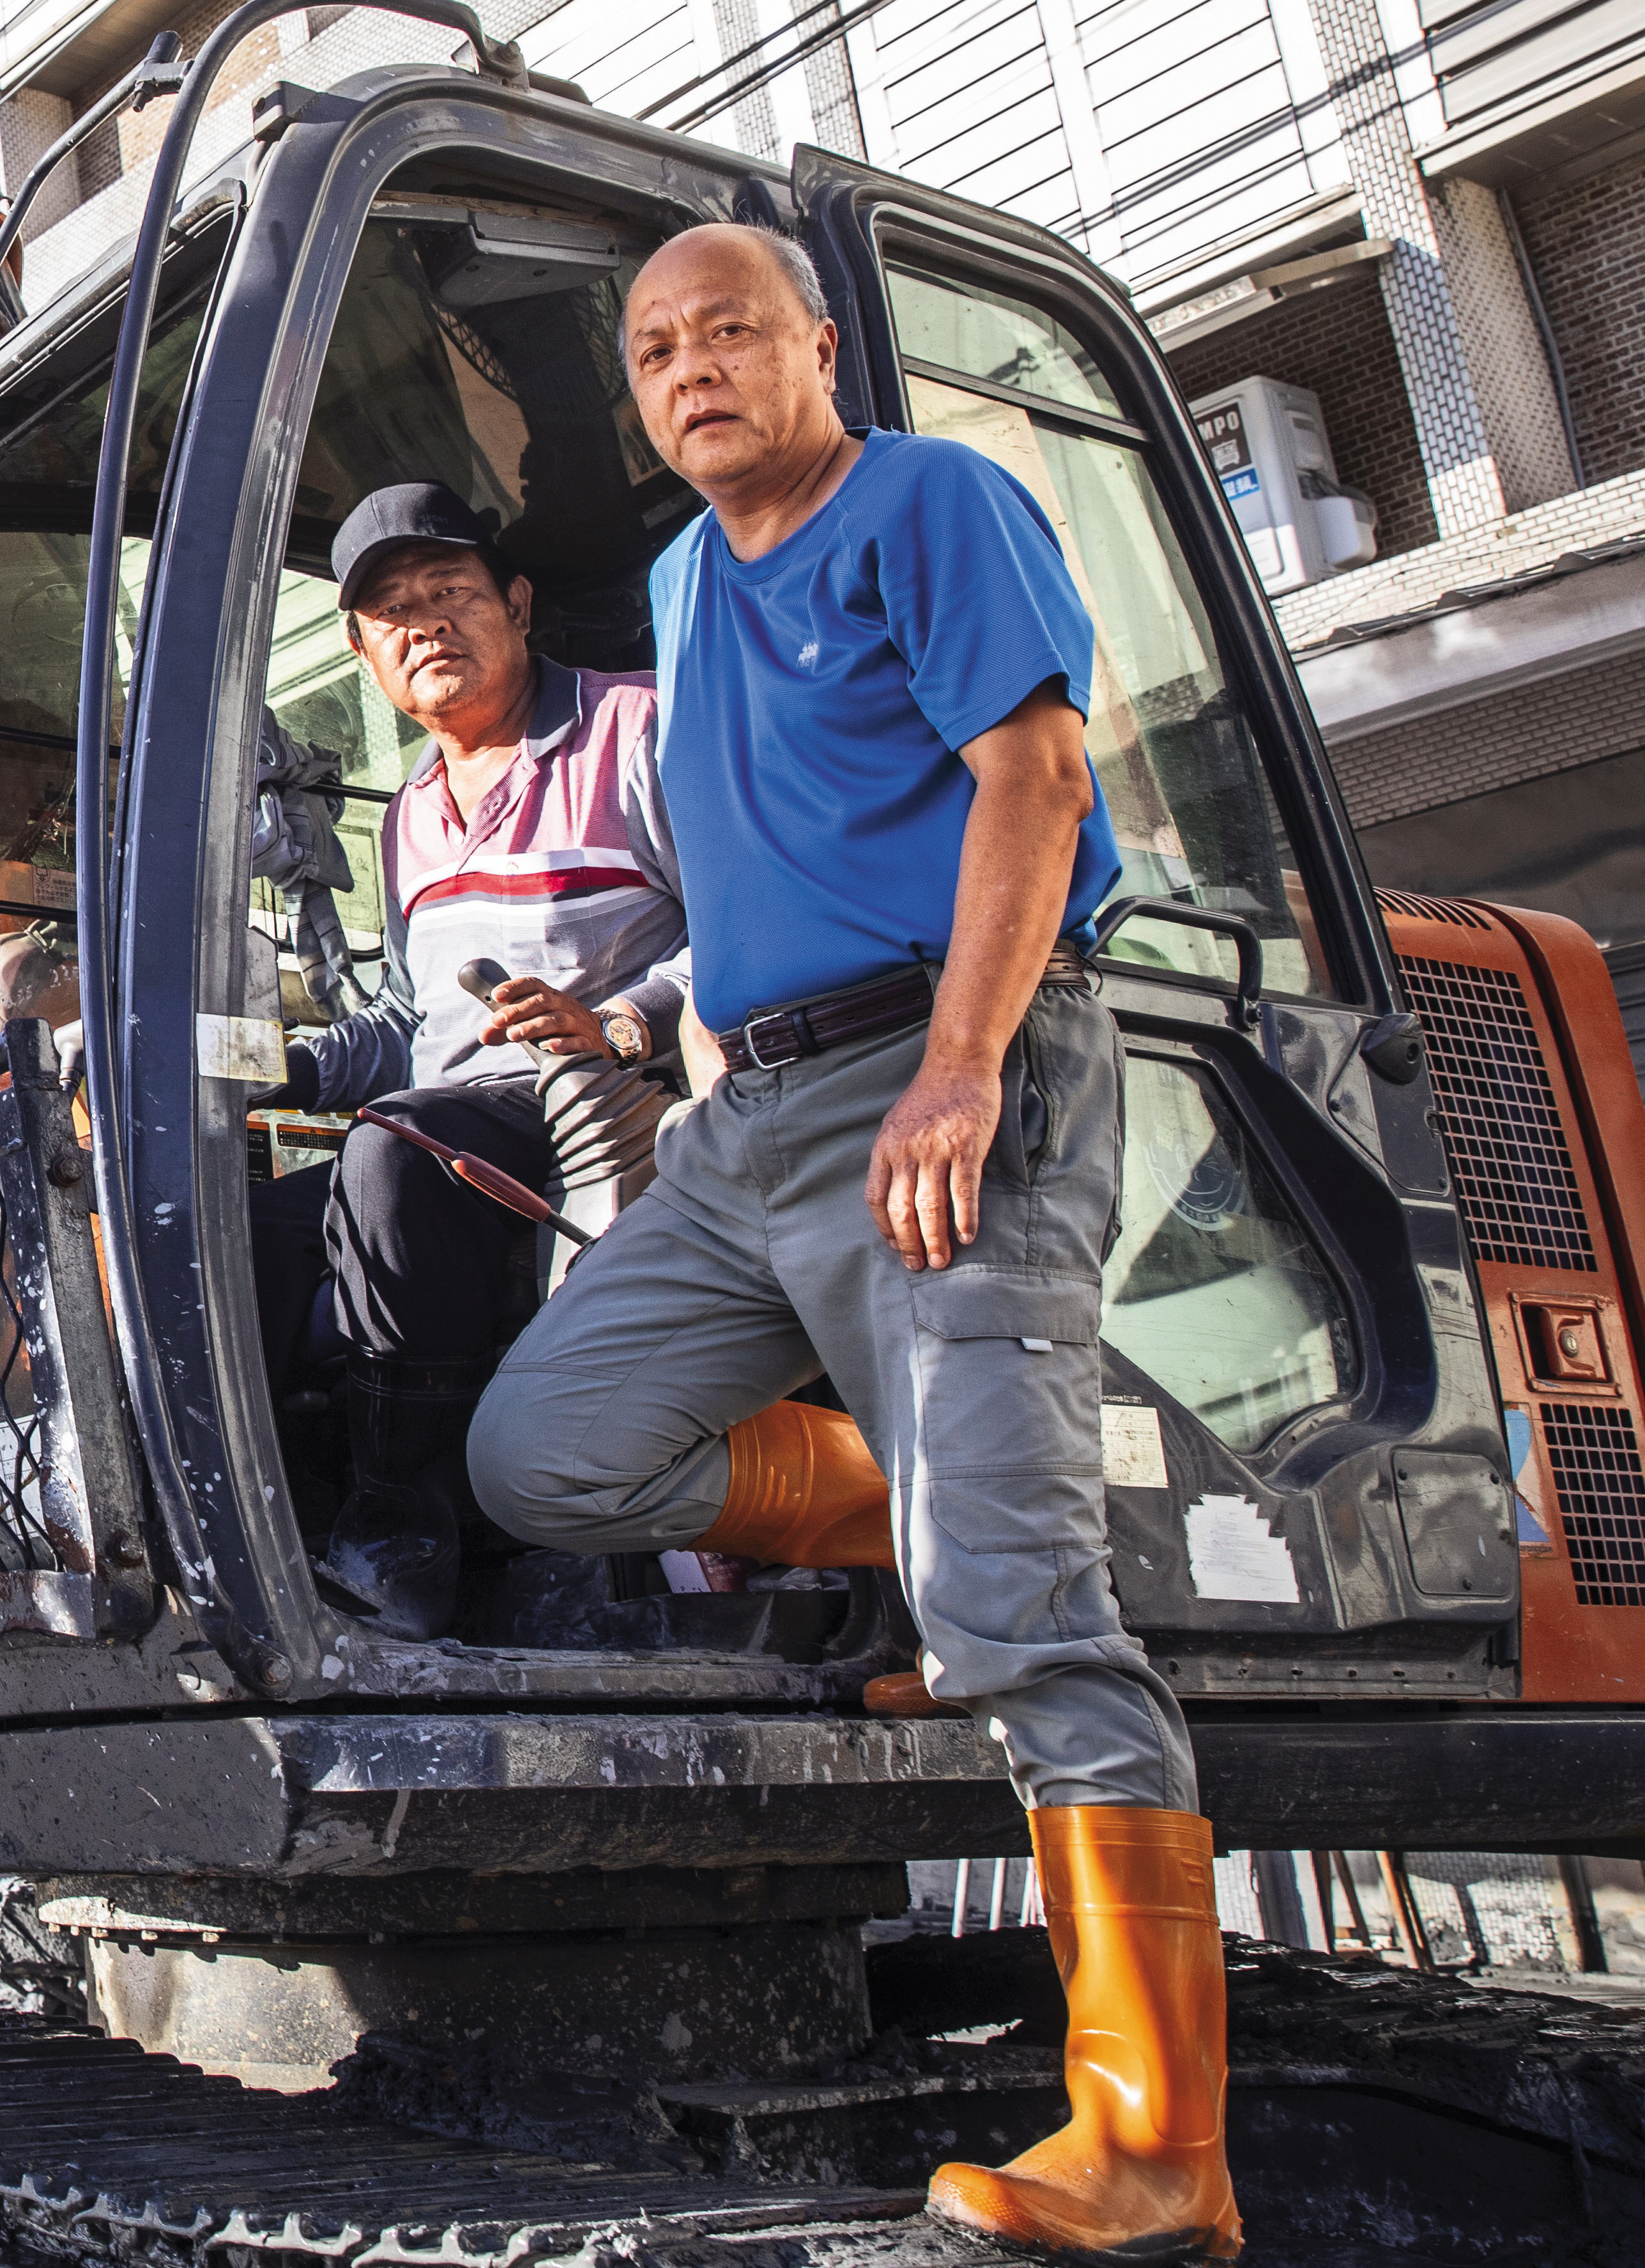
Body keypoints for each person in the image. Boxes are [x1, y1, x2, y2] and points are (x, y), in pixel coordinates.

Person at [468, 223, 1227, 2260]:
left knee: (1020, 1621)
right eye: (655, 349)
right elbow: (775, 854)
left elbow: (1037, 779)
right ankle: (928, 1514)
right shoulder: (693, 581)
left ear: (818, 346)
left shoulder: (930, 503)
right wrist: (643, 1031)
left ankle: (1155, 2148)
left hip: (948, 1065)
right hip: (759, 1108)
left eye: (733, 332)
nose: (693, 369)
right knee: (543, 1454)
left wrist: (965, 1066)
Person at [250, 482, 688, 1639]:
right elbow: (405, 1022)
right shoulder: (407, 817)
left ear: (518, 604)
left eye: (451, 592)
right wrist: (284, 1071)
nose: (427, 624)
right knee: (221, 1221)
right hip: (445, 1119)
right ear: (364, 651)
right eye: (394, 613)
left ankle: (410, 1525)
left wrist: (623, 1020)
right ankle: (287, 1538)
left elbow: (753, 929)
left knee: (391, 1159)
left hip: (607, 1107)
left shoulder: (636, 729)